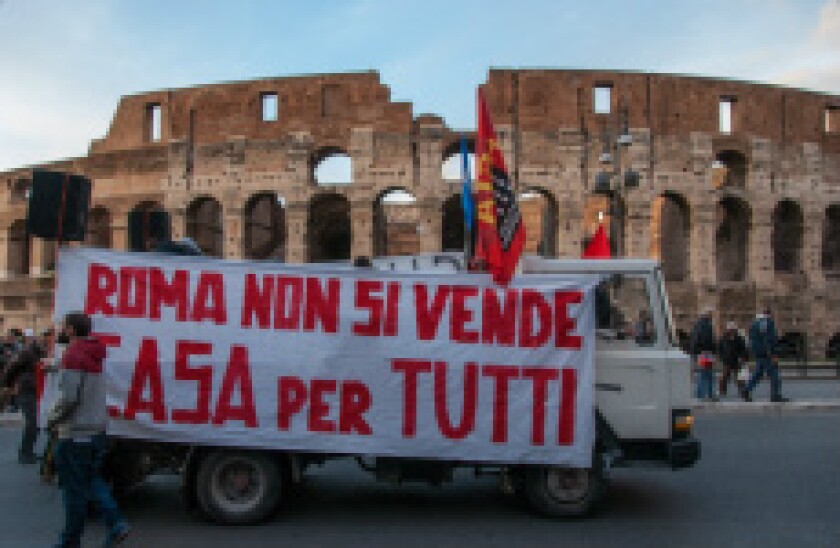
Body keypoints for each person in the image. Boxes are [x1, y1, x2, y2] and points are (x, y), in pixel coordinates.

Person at [48, 312, 130, 547]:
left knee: (74, 490)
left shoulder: (73, 355)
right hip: (96, 429)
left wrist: (52, 420)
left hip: (76, 432)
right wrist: (55, 367)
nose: (61, 330)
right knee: (91, 480)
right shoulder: (93, 353)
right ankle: (115, 523)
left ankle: (71, 540)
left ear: (71, 329)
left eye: (63, 327)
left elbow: (69, 397)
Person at [742, 309, 789, 403]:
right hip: (766, 353)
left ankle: (746, 390)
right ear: (769, 314)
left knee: (758, 374)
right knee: (775, 374)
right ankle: (775, 395)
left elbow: (751, 339)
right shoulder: (768, 323)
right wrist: (773, 354)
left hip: (758, 352)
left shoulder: (755, 323)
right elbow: (769, 339)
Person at [2, 346, 39, 463]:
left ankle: (27, 451)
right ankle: (25, 453)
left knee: (33, 424)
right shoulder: (27, 375)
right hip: (27, 397)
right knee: (32, 424)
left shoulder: (22, 371)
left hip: (26, 397)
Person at [690, 306, 717, 401]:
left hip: (701, 352)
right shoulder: (706, 325)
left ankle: (709, 394)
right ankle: (703, 394)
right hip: (706, 352)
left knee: (707, 373)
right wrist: (713, 350)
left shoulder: (698, 324)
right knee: (706, 373)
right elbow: (707, 340)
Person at [718, 321, 749, 396]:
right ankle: (722, 391)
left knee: (739, 378)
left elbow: (744, 349)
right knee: (724, 377)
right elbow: (720, 349)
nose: (731, 330)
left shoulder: (739, 339)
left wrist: (742, 358)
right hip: (727, 361)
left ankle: (742, 391)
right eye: (730, 329)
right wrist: (722, 357)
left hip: (737, 361)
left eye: (733, 329)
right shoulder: (723, 338)